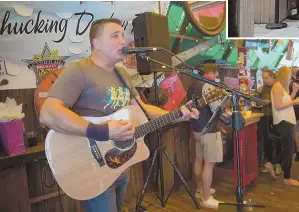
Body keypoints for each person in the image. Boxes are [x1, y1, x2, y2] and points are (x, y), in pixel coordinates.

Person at [39, 18, 200, 212]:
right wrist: (103, 132)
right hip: (92, 168)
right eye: (115, 36)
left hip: (120, 165)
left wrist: (174, 115)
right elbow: (48, 113)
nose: (123, 41)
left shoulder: (122, 74)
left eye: (123, 36)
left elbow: (142, 109)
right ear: (96, 43)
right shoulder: (79, 70)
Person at [187, 63, 224, 209]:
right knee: (209, 164)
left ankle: (200, 189)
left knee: (198, 159)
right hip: (209, 130)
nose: (217, 77)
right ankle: (206, 197)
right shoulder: (209, 86)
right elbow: (217, 109)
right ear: (213, 72)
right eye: (216, 73)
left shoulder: (192, 85)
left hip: (196, 129)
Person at [270, 66, 299, 187]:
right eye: (290, 75)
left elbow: (286, 101)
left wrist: (294, 93)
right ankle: (287, 178)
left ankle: (271, 163)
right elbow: (278, 106)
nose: (291, 77)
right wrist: (295, 102)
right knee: (290, 150)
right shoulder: (278, 86)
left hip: (285, 120)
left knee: (291, 148)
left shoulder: (280, 86)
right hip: (282, 121)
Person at [256, 70, 283, 178]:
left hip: (276, 116)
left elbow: (281, 101)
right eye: (263, 78)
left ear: (273, 76)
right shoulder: (263, 88)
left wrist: (270, 101)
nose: (264, 80)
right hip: (266, 115)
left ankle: (278, 163)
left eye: (266, 77)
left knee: (277, 139)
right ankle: (269, 162)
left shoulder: (277, 86)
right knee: (266, 139)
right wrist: (258, 95)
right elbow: (258, 101)